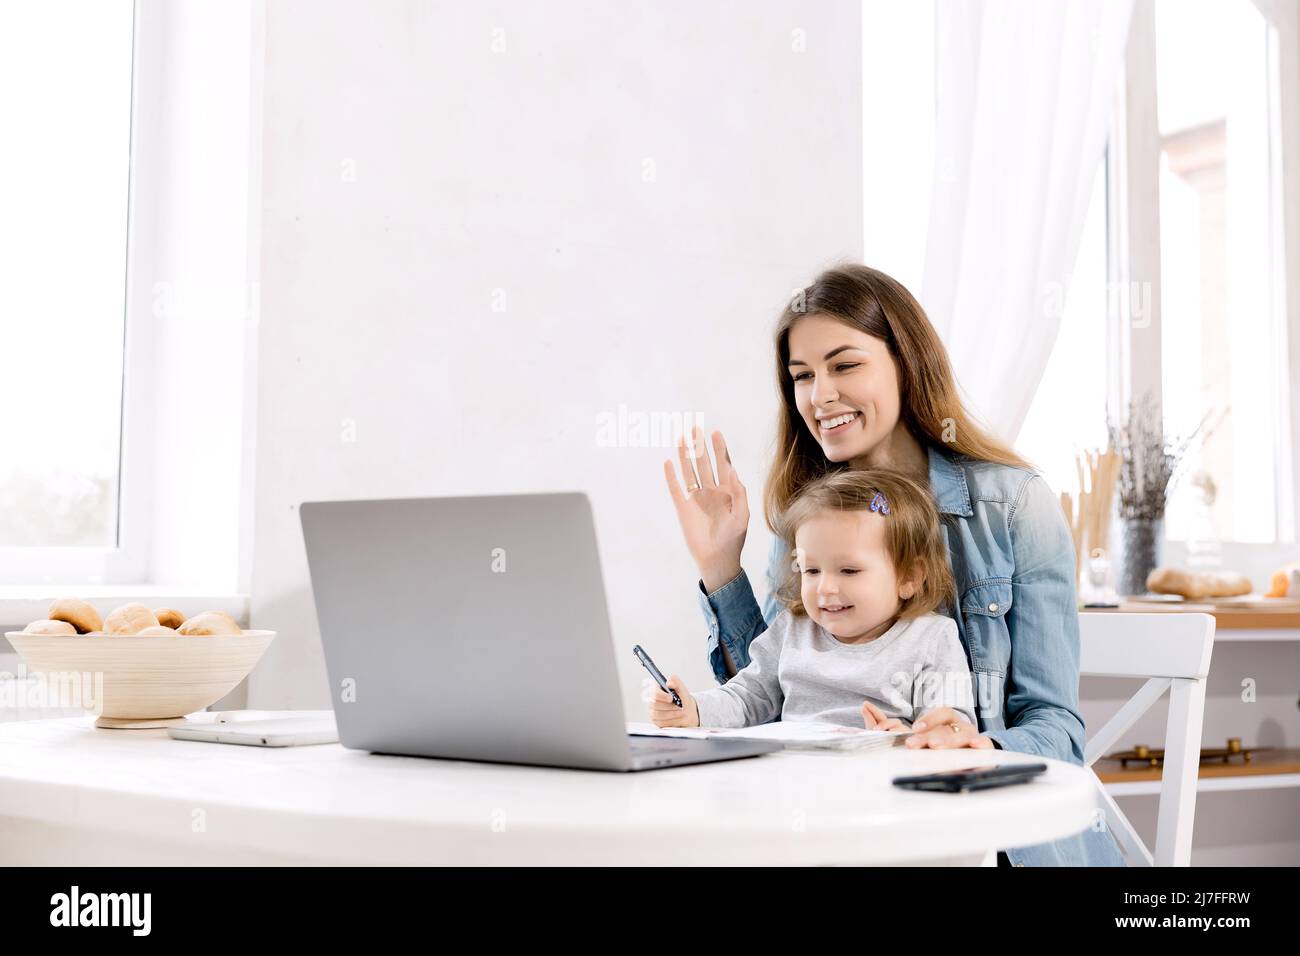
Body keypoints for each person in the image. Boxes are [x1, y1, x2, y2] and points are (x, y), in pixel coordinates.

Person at [661, 264, 1125, 867]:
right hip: (844, 836)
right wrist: (721, 565)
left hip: (997, 845)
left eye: (844, 365)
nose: (819, 395)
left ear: (906, 361)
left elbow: (1058, 730)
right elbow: (769, 692)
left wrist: (976, 745)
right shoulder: (813, 519)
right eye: (801, 376)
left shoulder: (1012, 506)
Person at [649, 469, 975, 733]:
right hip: (794, 783)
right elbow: (747, 697)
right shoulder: (793, 629)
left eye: (849, 570)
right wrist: (693, 708)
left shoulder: (931, 638)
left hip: (878, 788)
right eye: (812, 570)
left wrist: (907, 739)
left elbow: (951, 723)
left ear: (909, 577)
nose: (825, 588)